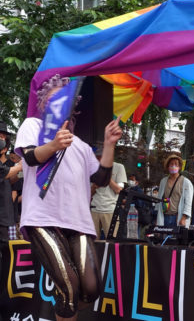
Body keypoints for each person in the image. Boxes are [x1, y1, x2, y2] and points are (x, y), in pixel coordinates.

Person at [15, 74, 122, 321]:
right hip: (42, 220)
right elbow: (30, 157)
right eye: (55, 99)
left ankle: (65, 310)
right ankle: (67, 305)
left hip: (78, 223)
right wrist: (53, 145)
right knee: (69, 289)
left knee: (92, 289)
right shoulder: (32, 125)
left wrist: (109, 144)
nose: (60, 104)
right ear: (44, 103)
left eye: (65, 99)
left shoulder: (82, 146)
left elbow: (102, 179)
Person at [90, 148, 126, 239]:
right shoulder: (92, 169)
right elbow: (88, 194)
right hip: (94, 209)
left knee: (112, 242)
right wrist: (94, 186)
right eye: (96, 158)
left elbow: (119, 190)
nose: (98, 160)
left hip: (110, 209)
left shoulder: (118, 167)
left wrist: (106, 176)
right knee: (93, 242)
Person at [156, 154, 193, 226]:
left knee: (176, 237)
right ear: (168, 167)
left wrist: (184, 218)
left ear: (179, 167)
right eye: (171, 164)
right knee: (164, 237)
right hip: (164, 216)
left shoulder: (186, 182)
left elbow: (188, 202)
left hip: (177, 217)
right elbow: (160, 199)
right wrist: (157, 219)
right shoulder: (163, 181)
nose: (173, 166)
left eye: (176, 164)